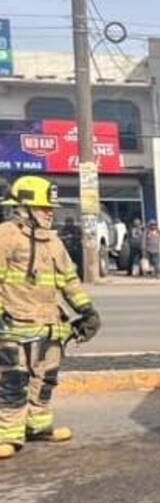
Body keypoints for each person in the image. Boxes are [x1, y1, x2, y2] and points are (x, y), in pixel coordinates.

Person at [0, 176, 101, 460]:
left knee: (45, 379)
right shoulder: (5, 236)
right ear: (24, 209)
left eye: (50, 208)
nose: (49, 212)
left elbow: (69, 281)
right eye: (43, 207)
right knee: (12, 381)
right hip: (13, 323)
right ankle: (9, 435)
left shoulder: (53, 242)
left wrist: (87, 312)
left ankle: (39, 427)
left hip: (48, 325)